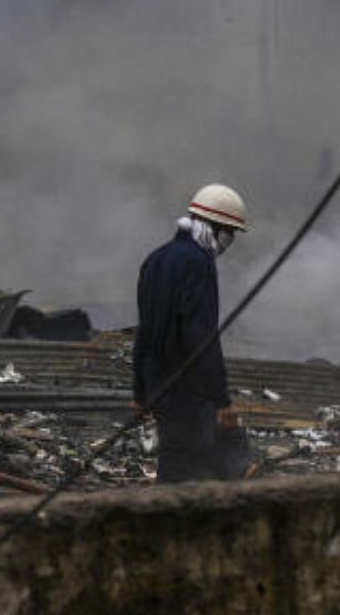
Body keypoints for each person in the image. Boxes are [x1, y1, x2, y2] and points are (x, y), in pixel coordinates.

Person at [133, 183, 250, 483]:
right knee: (186, 472)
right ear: (214, 227)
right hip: (189, 391)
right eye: (230, 232)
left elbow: (144, 332)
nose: (230, 241)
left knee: (178, 457)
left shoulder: (156, 259)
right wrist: (222, 399)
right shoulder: (199, 265)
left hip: (159, 387)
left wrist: (140, 391)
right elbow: (202, 338)